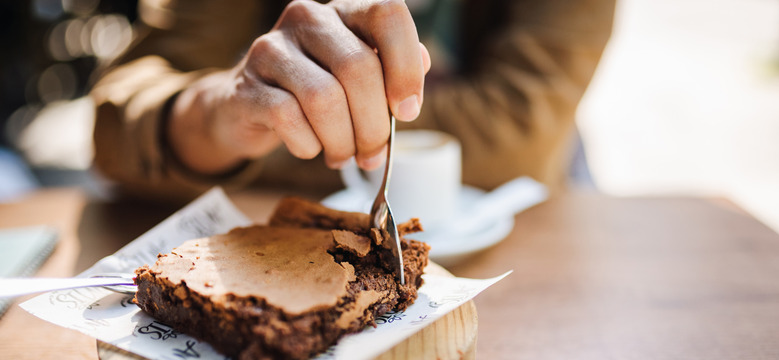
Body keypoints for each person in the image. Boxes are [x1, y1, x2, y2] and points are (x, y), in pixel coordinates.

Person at [90, 0, 615, 201]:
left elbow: (517, 137)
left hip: (542, 218)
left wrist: (285, 126)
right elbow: (116, 125)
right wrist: (220, 114)